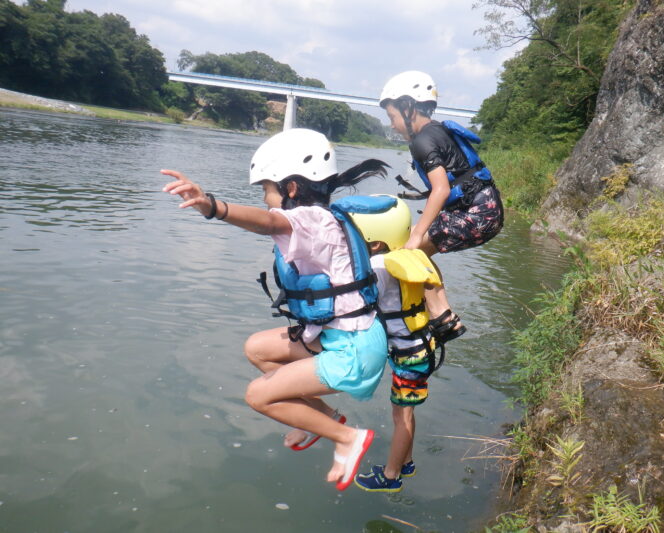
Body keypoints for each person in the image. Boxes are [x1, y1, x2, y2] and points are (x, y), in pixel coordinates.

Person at [161, 128, 392, 491]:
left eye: (267, 189)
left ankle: (347, 437)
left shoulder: (308, 219)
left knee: (258, 395)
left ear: (292, 189)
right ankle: (321, 417)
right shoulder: (323, 217)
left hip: (354, 351)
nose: (266, 199)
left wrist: (212, 206)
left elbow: (269, 221)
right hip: (350, 336)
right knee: (258, 348)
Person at [379, 70, 504, 344]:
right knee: (414, 249)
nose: (392, 125)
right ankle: (441, 313)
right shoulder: (436, 131)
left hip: (476, 215)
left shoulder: (422, 141)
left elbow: (441, 189)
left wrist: (415, 236)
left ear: (408, 108)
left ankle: (441, 317)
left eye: (392, 117)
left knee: (408, 253)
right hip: (486, 211)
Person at [346, 196, 443, 492]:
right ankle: (407, 461)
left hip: (408, 353)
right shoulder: (408, 255)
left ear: (376, 242)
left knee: (402, 416)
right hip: (421, 346)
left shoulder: (378, 265)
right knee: (405, 411)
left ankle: (390, 476)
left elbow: (363, 304)